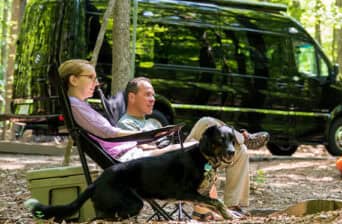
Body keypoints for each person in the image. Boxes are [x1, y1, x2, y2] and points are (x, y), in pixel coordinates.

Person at [59, 60, 264, 219]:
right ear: (74, 80)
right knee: (205, 144)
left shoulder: (82, 106)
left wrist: (148, 139)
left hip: (139, 150)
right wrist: (148, 135)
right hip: (133, 157)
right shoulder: (76, 106)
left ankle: (240, 141)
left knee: (209, 125)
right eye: (91, 77)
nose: (96, 82)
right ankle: (241, 141)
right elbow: (109, 133)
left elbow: (109, 134)